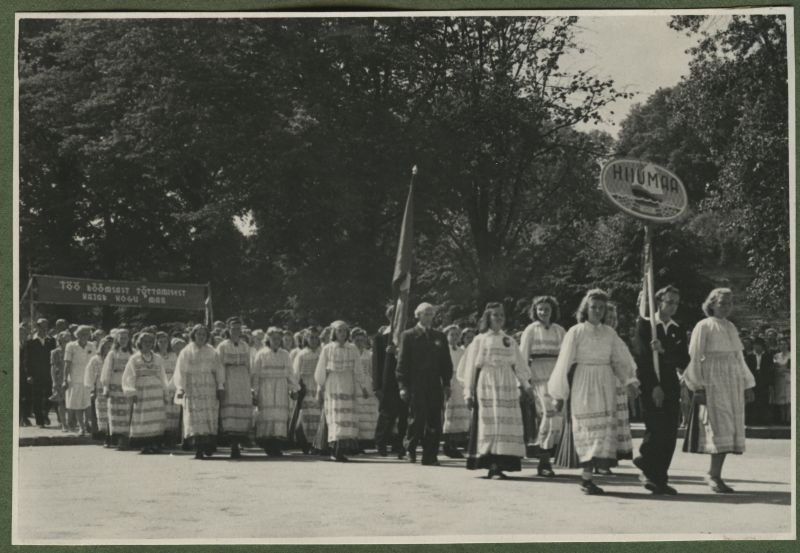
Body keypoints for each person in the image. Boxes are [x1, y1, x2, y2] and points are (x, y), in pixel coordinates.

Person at [548, 289, 639, 495]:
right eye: (593, 307)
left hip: (605, 382)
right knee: (587, 427)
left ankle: (589, 477)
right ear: (585, 309)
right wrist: (558, 393)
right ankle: (586, 478)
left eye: (601, 308)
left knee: (602, 430)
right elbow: (564, 362)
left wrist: (629, 381)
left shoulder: (610, 333)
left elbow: (620, 359)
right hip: (584, 382)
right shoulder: (576, 331)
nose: (597, 311)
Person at [682, 288, 756, 493]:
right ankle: (713, 475)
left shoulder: (731, 327)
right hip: (713, 380)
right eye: (722, 303)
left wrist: (747, 384)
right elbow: (694, 357)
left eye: (729, 303)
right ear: (712, 304)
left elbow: (738, 358)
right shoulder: (703, 326)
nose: (726, 307)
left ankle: (715, 474)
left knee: (729, 428)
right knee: (718, 426)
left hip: (732, 381)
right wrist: (698, 386)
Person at [462, 302, 533, 478]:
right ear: (488, 317)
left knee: (505, 423)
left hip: (507, 384)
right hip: (487, 382)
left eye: (501, 315)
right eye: (495, 315)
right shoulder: (480, 339)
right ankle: (491, 464)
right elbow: (470, 367)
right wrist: (468, 393)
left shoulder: (509, 340)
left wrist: (526, 386)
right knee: (491, 422)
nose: (499, 318)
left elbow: (519, 365)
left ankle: (502, 462)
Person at [632, 285, 690, 495]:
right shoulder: (646, 325)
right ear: (658, 302)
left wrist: (664, 350)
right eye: (669, 301)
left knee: (669, 433)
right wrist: (653, 386)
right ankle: (648, 468)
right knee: (655, 428)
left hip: (670, 383)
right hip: (651, 383)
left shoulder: (677, 328)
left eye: (676, 303)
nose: (673, 306)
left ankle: (661, 477)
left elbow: (683, 360)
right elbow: (641, 358)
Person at [396, 303, 453, 466]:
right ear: (418, 315)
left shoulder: (439, 337)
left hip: (434, 384)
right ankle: (410, 448)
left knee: (434, 420)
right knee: (417, 418)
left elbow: (446, 363)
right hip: (416, 384)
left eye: (431, 314)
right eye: (426, 314)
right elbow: (402, 363)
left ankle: (430, 455)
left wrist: (446, 383)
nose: (429, 317)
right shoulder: (408, 335)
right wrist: (402, 386)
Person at [519, 296, 566, 477]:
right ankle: (543, 461)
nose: (543, 312)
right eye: (540, 309)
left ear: (552, 311)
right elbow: (523, 357)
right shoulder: (531, 330)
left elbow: (566, 356)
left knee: (559, 417)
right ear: (535, 311)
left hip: (556, 377)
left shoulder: (559, 330)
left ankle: (556, 457)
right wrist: (523, 383)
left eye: (547, 309)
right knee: (546, 415)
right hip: (538, 378)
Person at [315, 320, 368, 462]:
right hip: (333, 384)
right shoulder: (327, 348)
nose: (342, 333)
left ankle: (342, 448)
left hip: (348, 383)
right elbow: (321, 370)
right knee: (335, 416)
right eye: (339, 330)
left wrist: (363, 387)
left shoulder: (352, 348)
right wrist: (320, 388)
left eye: (344, 330)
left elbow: (358, 369)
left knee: (346, 416)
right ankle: (334, 448)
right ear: (334, 332)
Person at [173, 324, 226, 460]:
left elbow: (218, 369)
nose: (201, 337)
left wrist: (220, 386)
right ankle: (198, 448)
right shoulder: (186, 351)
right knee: (195, 416)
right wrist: (180, 387)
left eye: (204, 334)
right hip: (193, 387)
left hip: (208, 387)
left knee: (208, 416)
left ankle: (208, 446)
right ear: (194, 335)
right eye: (199, 334)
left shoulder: (212, 351)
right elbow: (181, 371)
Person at [252, 326, 299, 456]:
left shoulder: (285, 354)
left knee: (279, 415)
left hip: (280, 388)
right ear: (268, 339)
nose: (277, 341)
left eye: (279, 338)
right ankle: (268, 444)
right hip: (266, 388)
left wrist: (294, 388)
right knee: (267, 415)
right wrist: (255, 392)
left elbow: (290, 373)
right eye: (274, 338)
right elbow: (256, 375)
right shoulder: (261, 354)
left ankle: (277, 444)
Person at [122, 332, 169, 454]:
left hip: (156, 392)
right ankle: (144, 444)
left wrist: (165, 392)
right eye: (145, 342)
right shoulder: (134, 358)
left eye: (150, 342)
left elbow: (162, 376)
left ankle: (155, 443)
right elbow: (129, 376)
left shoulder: (158, 358)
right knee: (143, 417)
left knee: (156, 416)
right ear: (140, 343)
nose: (148, 344)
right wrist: (131, 391)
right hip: (142, 392)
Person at [603, 302, 635, 473]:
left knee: (616, 419)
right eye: (608, 317)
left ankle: (611, 456)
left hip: (618, 381)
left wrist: (630, 379)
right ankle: (601, 459)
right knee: (605, 419)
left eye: (613, 318)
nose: (611, 321)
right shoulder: (599, 336)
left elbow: (626, 359)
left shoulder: (615, 337)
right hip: (604, 379)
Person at [372, 306, 408, 458]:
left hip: (404, 381)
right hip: (387, 382)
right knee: (387, 414)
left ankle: (399, 444)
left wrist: (397, 351)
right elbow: (376, 364)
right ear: (389, 317)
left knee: (404, 414)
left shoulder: (408, 336)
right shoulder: (380, 338)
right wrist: (376, 386)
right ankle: (381, 442)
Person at [216, 317, 254, 458]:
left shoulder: (245, 346)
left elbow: (249, 365)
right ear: (228, 329)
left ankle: (239, 442)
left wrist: (251, 385)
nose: (236, 331)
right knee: (230, 411)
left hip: (243, 380)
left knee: (242, 410)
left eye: (239, 328)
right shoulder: (223, 346)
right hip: (229, 379)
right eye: (233, 328)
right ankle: (233, 445)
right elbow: (219, 366)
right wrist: (220, 384)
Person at [101, 328, 134, 449]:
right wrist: (106, 386)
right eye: (121, 338)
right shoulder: (112, 353)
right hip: (115, 383)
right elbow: (107, 371)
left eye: (125, 338)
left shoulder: (133, 353)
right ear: (117, 339)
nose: (123, 340)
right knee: (114, 412)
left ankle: (125, 439)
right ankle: (111, 438)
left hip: (128, 385)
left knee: (127, 412)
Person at [291, 327, 322, 453]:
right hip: (306, 387)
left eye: (316, 337)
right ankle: (307, 443)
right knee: (307, 416)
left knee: (319, 415)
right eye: (311, 338)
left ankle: (318, 443)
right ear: (306, 339)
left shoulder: (322, 352)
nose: (313, 340)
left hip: (319, 386)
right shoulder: (302, 354)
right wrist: (295, 388)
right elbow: (296, 373)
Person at [441, 324, 470, 458]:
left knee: (459, 413)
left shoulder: (461, 351)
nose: (455, 337)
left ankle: (455, 443)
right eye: (452, 335)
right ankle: (446, 443)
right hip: (447, 380)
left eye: (457, 335)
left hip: (459, 382)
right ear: (446, 336)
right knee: (448, 412)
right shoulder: (443, 350)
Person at [22, 318, 56, 428]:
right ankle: (40, 420)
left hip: (49, 373)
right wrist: (29, 375)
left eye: (46, 326)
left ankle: (45, 413)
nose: (45, 328)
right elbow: (26, 359)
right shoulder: (30, 341)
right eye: (42, 326)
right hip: (35, 374)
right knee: (37, 397)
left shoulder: (52, 341)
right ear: (37, 327)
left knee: (49, 396)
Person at [63, 325, 96, 435]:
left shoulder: (92, 345)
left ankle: (87, 423)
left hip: (89, 378)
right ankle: (81, 427)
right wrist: (65, 379)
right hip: (75, 378)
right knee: (77, 404)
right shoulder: (70, 346)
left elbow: (95, 362)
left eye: (86, 334)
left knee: (88, 403)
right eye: (82, 334)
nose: (84, 336)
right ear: (77, 335)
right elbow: (67, 364)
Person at [353, 327, 379, 451]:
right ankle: (355, 439)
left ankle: (366, 440)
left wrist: (374, 386)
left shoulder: (369, 354)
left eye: (362, 340)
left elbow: (372, 371)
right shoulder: (351, 353)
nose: (360, 343)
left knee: (367, 413)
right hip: (354, 383)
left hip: (367, 383)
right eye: (357, 340)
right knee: (355, 411)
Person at [84, 336, 114, 443]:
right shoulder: (96, 359)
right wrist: (92, 389)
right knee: (102, 412)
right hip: (100, 388)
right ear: (102, 347)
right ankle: (104, 436)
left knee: (113, 411)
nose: (108, 349)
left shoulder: (115, 358)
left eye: (111, 347)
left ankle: (114, 435)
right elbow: (90, 375)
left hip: (114, 387)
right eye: (106, 347)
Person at [745, 338, 774, 425]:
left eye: (758, 345)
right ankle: (752, 420)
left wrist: (770, 383)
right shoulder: (749, 356)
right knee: (752, 400)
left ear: (762, 346)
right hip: (753, 379)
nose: (756, 347)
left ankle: (763, 420)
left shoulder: (768, 356)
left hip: (764, 380)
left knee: (763, 399)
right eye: (755, 345)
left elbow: (771, 371)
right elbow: (747, 370)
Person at [49, 331, 72, 432]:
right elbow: (53, 368)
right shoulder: (55, 352)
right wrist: (54, 381)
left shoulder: (73, 351)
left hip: (71, 378)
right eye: (65, 340)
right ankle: (64, 424)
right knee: (61, 402)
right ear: (60, 340)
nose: (67, 341)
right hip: (59, 378)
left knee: (71, 402)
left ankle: (71, 422)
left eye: (69, 339)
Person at [772, 337, 791, 424]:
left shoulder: (792, 355)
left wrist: (785, 370)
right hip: (779, 379)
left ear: (787, 345)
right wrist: (778, 370)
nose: (782, 346)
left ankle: (788, 418)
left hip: (788, 378)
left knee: (788, 399)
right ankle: (782, 418)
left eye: (784, 344)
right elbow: (774, 367)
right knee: (781, 399)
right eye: (780, 344)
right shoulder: (776, 356)